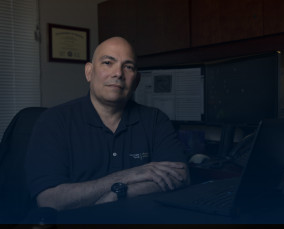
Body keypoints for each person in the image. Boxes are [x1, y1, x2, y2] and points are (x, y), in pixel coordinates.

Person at [25, 37, 190, 212]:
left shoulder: (155, 120)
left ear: (137, 80)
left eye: (128, 67)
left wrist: (117, 195)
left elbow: (180, 176)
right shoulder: (54, 121)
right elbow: (49, 200)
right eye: (107, 63)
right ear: (89, 72)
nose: (118, 73)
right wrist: (129, 175)